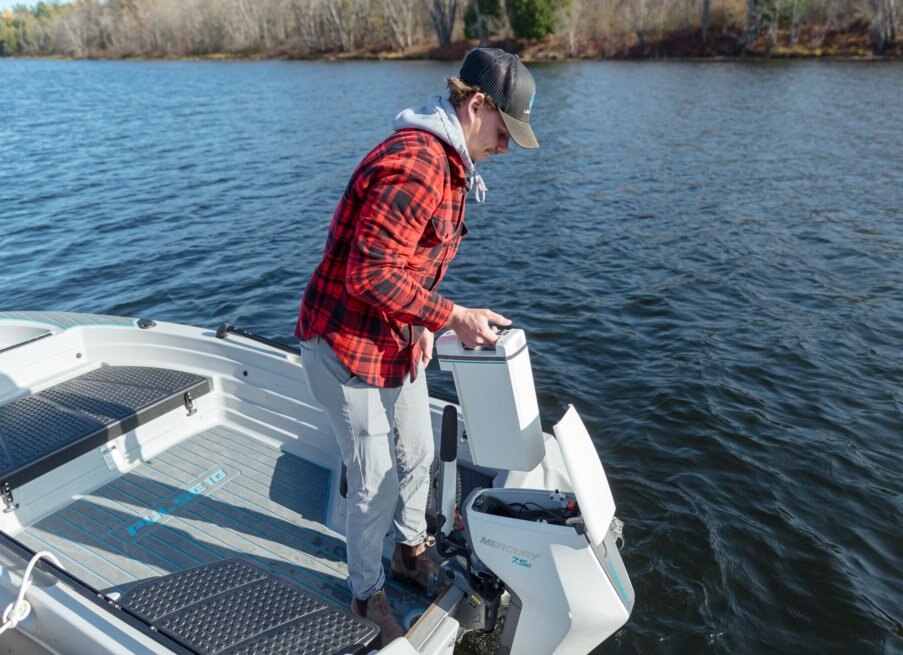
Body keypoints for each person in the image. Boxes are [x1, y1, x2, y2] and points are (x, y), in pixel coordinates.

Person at [294, 48, 539, 647]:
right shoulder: (417, 164)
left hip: (395, 341)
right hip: (347, 349)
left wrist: (427, 324)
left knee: (421, 449)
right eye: (504, 132)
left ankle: (409, 551)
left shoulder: (451, 164)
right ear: (476, 106)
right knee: (373, 480)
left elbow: (406, 270)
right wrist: (453, 316)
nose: (506, 148)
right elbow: (369, 275)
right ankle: (365, 593)